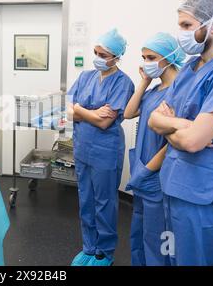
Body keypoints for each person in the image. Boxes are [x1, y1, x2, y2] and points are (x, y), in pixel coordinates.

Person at [148, 0, 213, 266]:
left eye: (187, 26)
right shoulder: (191, 66)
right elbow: (154, 120)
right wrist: (183, 124)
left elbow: (192, 142)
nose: (181, 34)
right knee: (171, 257)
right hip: (172, 183)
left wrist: (172, 127)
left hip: (197, 192)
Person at [68, 29, 135, 266]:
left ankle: (104, 251)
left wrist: (80, 110)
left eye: (103, 54)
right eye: (95, 52)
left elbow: (105, 122)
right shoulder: (86, 76)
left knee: (104, 202)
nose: (97, 57)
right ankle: (89, 246)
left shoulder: (123, 83)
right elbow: (67, 111)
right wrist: (91, 113)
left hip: (105, 152)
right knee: (85, 198)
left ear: (116, 57)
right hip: (83, 148)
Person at [124, 33, 185, 266]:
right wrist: (144, 82)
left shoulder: (179, 90)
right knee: (139, 231)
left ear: (169, 58)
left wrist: (147, 170)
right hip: (143, 172)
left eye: (151, 57)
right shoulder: (155, 89)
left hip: (158, 174)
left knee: (157, 235)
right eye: (143, 57)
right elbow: (128, 113)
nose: (146, 62)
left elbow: (173, 140)